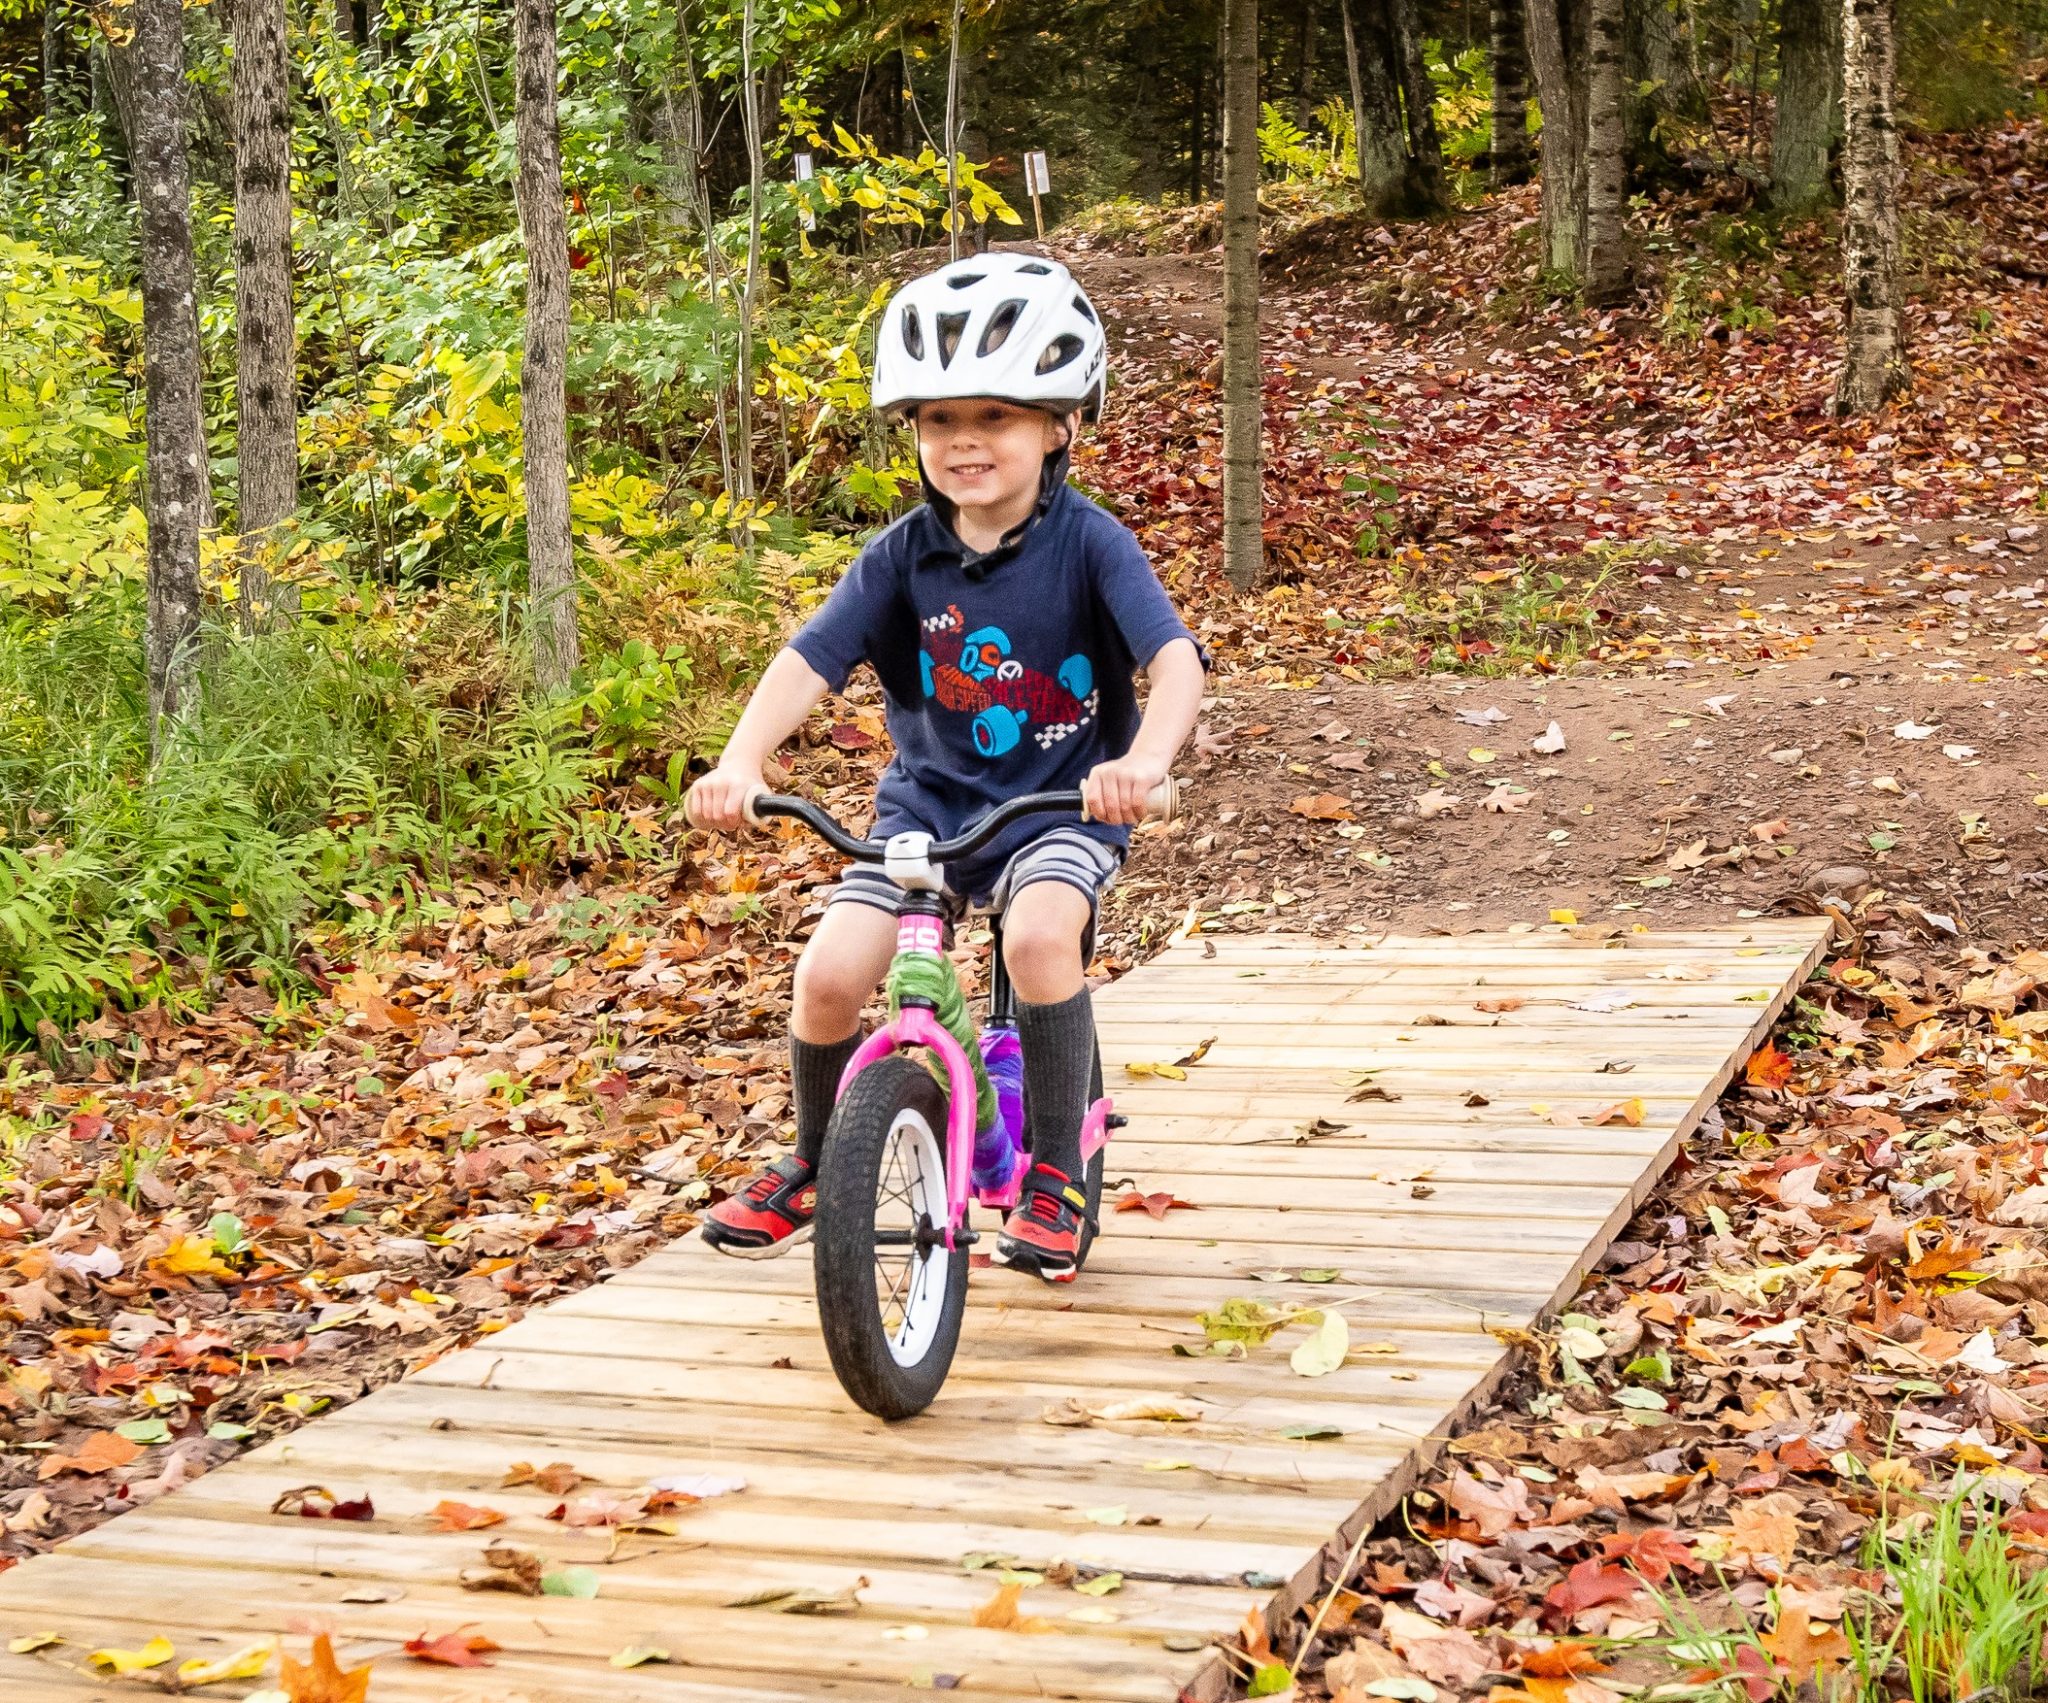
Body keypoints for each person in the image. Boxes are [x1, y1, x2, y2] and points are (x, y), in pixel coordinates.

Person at [685, 251, 1205, 1282]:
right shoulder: (898, 556)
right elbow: (807, 661)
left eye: (996, 417)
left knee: (1041, 937)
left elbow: (1174, 662)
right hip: (925, 810)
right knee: (829, 974)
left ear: (1056, 425)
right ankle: (812, 1156)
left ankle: (1056, 1170)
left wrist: (1141, 762)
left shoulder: (1091, 544)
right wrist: (741, 759)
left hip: (1059, 804)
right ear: (911, 433)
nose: (964, 442)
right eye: (936, 420)